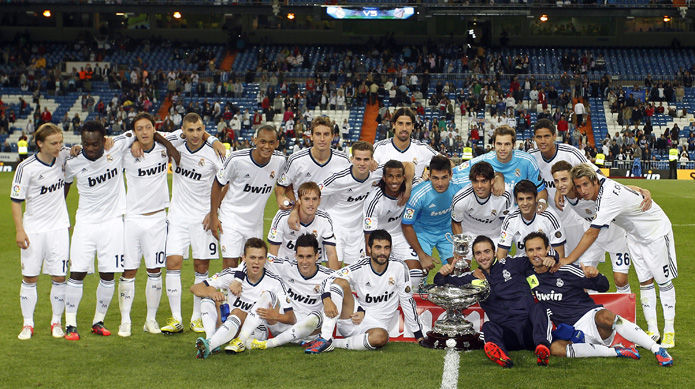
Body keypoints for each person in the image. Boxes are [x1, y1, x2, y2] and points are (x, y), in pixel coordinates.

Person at [563, 164, 677, 348]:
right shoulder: (602, 184)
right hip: (635, 236)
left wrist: (567, 260)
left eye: (585, 185)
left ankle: (669, 331)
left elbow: (592, 234)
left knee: (663, 281)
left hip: (656, 232)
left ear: (594, 181)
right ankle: (653, 331)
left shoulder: (607, 197)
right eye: (578, 186)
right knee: (645, 282)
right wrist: (640, 189)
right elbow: (625, 189)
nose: (582, 191)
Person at [523, 231, 673, 366]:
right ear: (526, 253)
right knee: (556, 349)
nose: (535, 254)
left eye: (539, 249)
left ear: (547, 249)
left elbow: (604, 286)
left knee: (605, 316)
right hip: (570, 332)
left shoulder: (565, 270)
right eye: (531, 250)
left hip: (591, 320)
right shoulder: (526, 275)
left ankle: (657, 349)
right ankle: (617, 352)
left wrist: (595, 276)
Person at [62, 120, 138, 340]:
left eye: (96, 144)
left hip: (113, 223)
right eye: (86, 144)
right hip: (85, 224)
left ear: (104, 140)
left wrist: (134, 144)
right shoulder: (73, 161)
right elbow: (64, 187)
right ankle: (70, 323)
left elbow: (141, 131)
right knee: (77, 273)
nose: (91, 148)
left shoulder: (116, 146)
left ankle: (98, 321)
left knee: (108, 274)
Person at [433, 235, 553, 368]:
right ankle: (502, 355)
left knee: (539, 308)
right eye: (478, 253)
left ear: (494, 252)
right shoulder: (471, 278)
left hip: (529, 330)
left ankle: (542, 347)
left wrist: (552, 258)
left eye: (487, 251)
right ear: (474, 257)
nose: (483, 257)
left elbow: (536, 258)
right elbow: (441, 283)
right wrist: (442, 274)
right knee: (488, 327)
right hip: (508, 335)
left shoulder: (513, 264)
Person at [305, 229, 424, 353]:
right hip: (352, 317)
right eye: (378, 247)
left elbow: (407, 301)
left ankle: (332, 342)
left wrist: (418, 334)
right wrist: (326, 299)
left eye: (386, 248)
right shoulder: (360, 266)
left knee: (380, 337)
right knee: (340, 282)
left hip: (377, 327)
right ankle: (325, 337)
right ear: (369, 248)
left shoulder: (399, 267)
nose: (382, 252)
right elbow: (329, 278)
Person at [160, 113, 224, 335]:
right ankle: (176, 318)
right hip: (177, 217)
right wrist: (211, 137)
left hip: (202, 219)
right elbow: (158, 137)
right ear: (183, 130)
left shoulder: (213, 153)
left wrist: (213, 211)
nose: (195, 135)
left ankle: (196, 318)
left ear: (203, 128)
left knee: (201, 266)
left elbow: (225, 182)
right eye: (190, 130)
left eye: (199, 130)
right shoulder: (177, 145)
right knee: (173, 263)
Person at [117, 112, 180, 337]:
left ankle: (150, 320)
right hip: (132, 219)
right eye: (139, 129)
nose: (143, 132)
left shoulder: (165, 147)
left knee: (155, 271)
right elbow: (107, 144)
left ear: (155, 128)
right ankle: (125, 321)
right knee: (129, 271)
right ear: (134, 132)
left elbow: (192, 133)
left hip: (157, 219)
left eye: (147, 127)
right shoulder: (126, 152)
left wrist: (214, 141)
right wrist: (132, 142)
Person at [11, 124, 70, 340]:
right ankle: (28, 324)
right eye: (54, 143)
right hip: (34, 229)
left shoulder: (64, 156)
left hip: (59, 229)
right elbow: (16, 201)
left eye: (61, 142)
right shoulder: (25, 168)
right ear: (40, 144)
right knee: (30, 277)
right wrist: (20, 230)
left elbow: (86, 151)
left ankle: (56, 321)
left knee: (59, 277)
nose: (59, 147)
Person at [191, 238, 295, 359]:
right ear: (244, 258)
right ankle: (210, 337)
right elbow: (195, 288)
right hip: (230, 324)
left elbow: (291, 318)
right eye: (252, 257)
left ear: (266, 259)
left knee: (239, 311)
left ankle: (211, 345)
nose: (256, 262)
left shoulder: (275, 282)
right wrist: (212, 293)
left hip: (257, 330)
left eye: (260, 258)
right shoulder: (232, 275)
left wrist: (275, 316)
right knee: (207, 300)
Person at [317, 141, 408, 267]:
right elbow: (312, 191)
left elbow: (408, 166)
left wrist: (407, 190)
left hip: (358, 230)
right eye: (358, 159)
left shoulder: (377, 173)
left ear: (372, 160)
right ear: (352, 159)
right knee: (335, 272)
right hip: (336, 227)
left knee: (357, 274)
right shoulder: (339, 178)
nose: (362, 163)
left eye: (366, 159)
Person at [208, 125, 286, 269]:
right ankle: (225, 292)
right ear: (254, 140)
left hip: (255, 223)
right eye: (263, 141)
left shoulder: (280, 160)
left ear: (277, 143)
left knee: (251, 266)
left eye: (271, 142)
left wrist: (282, 197)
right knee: (230, 265)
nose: (267, 146)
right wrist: (213, 215)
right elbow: (218, 184)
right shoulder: (237, 159)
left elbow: (285, 183)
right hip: (231, 218)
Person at [550, 160, 631, 293]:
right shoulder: (568, 193)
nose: (560, 185)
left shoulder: (589, 187)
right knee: (584, 276)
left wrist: (641, 190)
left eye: (564, 180)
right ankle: (593, 311)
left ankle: (626, 312)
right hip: (595, 239)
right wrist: (560, 191)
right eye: (556, 181)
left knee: (620, 280)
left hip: (615, 235)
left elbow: (616, 189)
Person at [249, 233, 334, 350]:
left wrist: (360, 310)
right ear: (295, 256)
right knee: (267, 296)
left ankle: (269, 343)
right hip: (284, 324)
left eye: (309, 256)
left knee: (316, 317)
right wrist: (238, 279)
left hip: (309, 331)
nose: (304, 261)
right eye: (301, 256)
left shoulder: (329, 276)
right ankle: (243, 338)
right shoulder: (285, 267)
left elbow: (345, 287)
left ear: (317, 256)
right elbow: (253, 257)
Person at [529, 118, 599, 257]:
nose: (543, 141)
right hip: (548, 216)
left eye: (547, 136)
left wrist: (563, 189)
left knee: (577, 261)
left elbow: (596, 176)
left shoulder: (570, 153)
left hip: (574, 215)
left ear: (555, 136)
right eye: (539, 137)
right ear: (534, 138)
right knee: (551, 262)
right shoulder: (531, 157)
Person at [454, 125, 548, 209]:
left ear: (513, 145)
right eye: (499, 144)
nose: (502, 148)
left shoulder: (527, 161)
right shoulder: (483, 160)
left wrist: (541, 203)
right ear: (494, 144)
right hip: (492, 217)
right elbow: (453, 171)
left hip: (518, 214)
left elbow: (540, 190)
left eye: (507, 144)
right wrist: (496, 176)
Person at [363, 160, 424, 288]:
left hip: (399, 235)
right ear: (384, 178)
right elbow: (369, 235)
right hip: (378, 239)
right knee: (379, 277)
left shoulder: (411, 186)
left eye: (398, 176)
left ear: (403, 177)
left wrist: (407, 187)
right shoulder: (374, 200)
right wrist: (371, 258)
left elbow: (410, 165)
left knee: (416, 275)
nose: (394, 181)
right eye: (390, 176)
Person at [402, 155, 467, 272]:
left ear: (451, 175)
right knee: (419, 272)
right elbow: (406, 224)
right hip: (422, 233)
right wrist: (422, 255)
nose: (440, 183)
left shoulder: (460, 185)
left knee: (460, 269)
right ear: (429, 176)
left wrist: (499, 178)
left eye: (444, 177)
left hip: (447, 231)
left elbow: (485, 175)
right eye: (435, 178)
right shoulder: (418, 194)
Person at [275, 116, 350, 211]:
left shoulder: (343, 161)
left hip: (332, 217)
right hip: (303, 216)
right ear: (311, 136)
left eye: (326, 134)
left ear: (332, 136)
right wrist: (281, 198)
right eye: (318, 134)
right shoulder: (296, 160)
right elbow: (281, 185)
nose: (322, 139)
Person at [267, 181, 338, 268]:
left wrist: (335, 279)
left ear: (319, 201)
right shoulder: (282, 216)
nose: (311, 203)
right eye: (306, 199)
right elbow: (273, 253)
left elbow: (331, 253)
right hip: (286, 268)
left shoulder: (324, 219)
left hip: (311, 270)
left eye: (314, 199)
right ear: (299, 200)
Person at [451, 161, 513, 251]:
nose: (479, 186)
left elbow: (506, 222)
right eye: (475, 181)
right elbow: (456, 222)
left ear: (492, 180)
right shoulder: (460, 199)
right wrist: (460, 244)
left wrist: (504, 245)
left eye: (483, 181)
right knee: (461, 263)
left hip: (494, 234)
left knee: (499, 263)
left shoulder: (504, 195)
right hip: (468, 233)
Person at [497, 180, 565, 259]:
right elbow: (501, 253)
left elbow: (560, 253)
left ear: (536, 198)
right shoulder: (510, 219)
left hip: (545, 263)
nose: (525, 203)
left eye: (529, 198)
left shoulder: (549, 217)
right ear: (516, 200)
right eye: (521, 199)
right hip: (522, 262)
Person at [373, 107, 438, 179]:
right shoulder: (378, 148)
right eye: (400, 124)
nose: (404, 128)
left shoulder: (423, 149)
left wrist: (432, 172)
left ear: (413, 126)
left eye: (408, 124)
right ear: (394, 125)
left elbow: (449, 164)